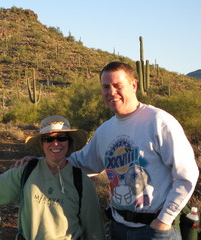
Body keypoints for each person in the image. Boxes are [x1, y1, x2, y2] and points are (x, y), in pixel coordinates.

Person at [67, 62, 199, 239]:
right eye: (106, 87)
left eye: (117, 86)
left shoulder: (159, 122)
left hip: (155, 230)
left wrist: (164, 220)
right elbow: (81, 162)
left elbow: (187, 175)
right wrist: (38, 163)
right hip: (118, 227)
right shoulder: (105, 131)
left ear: (134, 85)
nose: (111, 92)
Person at [0, 115, 106, 240]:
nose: (55, 143)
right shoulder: (25, 171)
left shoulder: (81, 181)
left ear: (69, 141)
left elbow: (95, 230)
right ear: (42, 143)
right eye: (48, 139)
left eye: (61, 138)